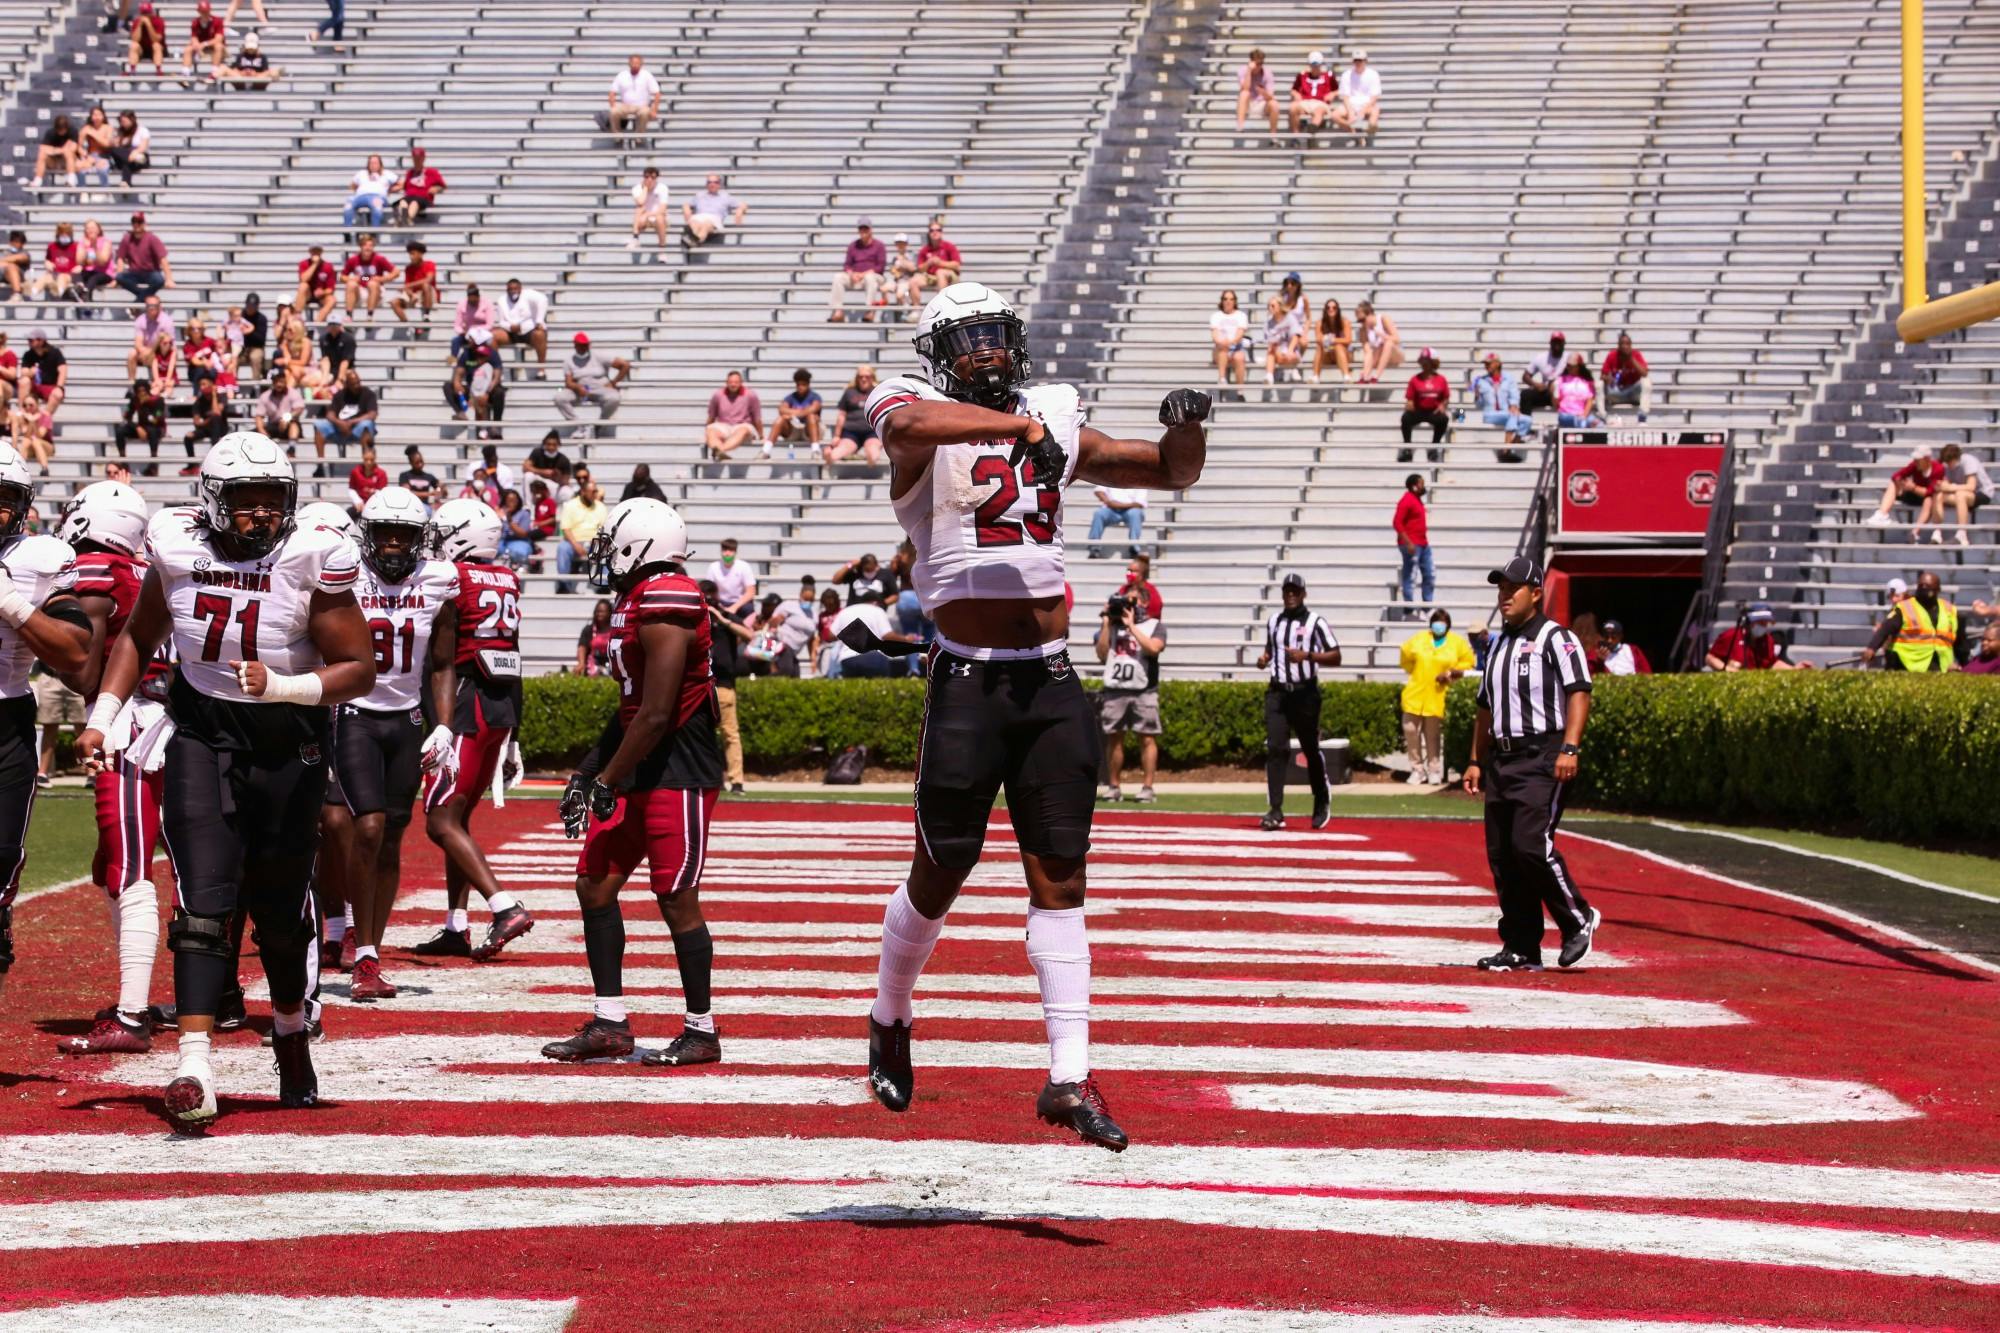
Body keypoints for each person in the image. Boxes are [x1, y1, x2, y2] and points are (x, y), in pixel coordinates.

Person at [859, 280, 1209, 1151]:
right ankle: (890, 1012)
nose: (986, 350)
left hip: (1050, 681)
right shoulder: (912, 409)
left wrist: (1188, 425)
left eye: (995, 334)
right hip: (968, 680)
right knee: (942, 868)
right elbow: (904, 432)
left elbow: (1166, 471)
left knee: (1062, 876)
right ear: (939, 352)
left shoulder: (1051, 411)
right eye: (966, 338)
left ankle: (1068, 1073)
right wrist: (1022, 432)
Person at [77, 432, 376, 1128]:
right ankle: (193, 1062)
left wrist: (287, 685)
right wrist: (104, 717)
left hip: (288, 748)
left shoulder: (311, 552)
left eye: (272, 502)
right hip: (204, 736)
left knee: (277, 912)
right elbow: (137, 635)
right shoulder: (178, 546)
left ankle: (293, 1031)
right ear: (212, 502)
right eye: (245, 504)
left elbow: (358, 666)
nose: (261, 517)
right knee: (204, 900)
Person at [548, 498, 726, 1064]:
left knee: (676, 898)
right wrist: (588, 771)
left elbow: (657, 711)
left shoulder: (669, 595)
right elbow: (631, 709)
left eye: (611, 542)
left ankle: (701, 1030)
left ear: (639, 544)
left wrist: (608, 779)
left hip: (680, 768)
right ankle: (610, 1022)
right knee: (595, 883)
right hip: (643, 763)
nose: (603, 554)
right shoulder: (634, 598)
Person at [46, 484, 169, 1053]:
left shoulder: (95, 567)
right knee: (123, 865)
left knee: (127, 867)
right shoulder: (145, 567)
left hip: (130, 725)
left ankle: (132, 1013)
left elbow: (81, 670)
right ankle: (172, 999)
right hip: (172, 722)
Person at [324, 487, 459, 1003]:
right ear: (368, 534)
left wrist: (444, 725)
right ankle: (360, 948)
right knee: (368, 827)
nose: (397, 544)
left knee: (393, 838)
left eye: (406, 534)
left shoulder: (439, 582)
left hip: (406, 718)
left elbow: (443, 664)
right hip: (354, 713)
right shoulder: (346, 575)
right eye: (387, 533)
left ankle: (372, 950)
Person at [413, 498, 537, 962]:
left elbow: (438, 655)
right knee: (459, 818)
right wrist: (517, 734)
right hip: (499, 707)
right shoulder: (508, 577)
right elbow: (516, 655)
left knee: (439, 819)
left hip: (464, 703)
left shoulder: (454, 577)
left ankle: (503, 906)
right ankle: (455, 926)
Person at [1462, 556, 1599, 972]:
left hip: (1543, 754)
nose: (1504, 597)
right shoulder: (1498, 645)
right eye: (1500, 589)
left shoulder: (1556, 638)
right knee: (1503, 856)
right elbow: (1484, 708)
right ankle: (1521, 946)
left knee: (1530, 845)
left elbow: (1579, 691)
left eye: (1512, 589)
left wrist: (1570, 748)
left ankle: (1578, 918)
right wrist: (1474, 761)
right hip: (1503, 759)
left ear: (1536, 593)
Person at [1256, 573, 1337, 831]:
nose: (1291, 595)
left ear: (1303, 593)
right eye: (1287, 591)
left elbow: (1336, 656)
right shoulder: (1274, 621)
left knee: (1309, 748)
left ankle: (1321, 799)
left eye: (1295, 591)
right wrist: (1264, 659)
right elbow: (1270, 649)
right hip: (1277, 692)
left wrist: (1308, 656)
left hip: (1304, 693)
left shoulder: (1316, 622)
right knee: (1276, 748)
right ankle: (1276, 809)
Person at [1095, 588, 1164, 803]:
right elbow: (1102, 654)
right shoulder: (1113, 626)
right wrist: (1107, 622)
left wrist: (1132, 626)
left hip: (1144, 690)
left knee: (1147, 738)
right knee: (1114, 739)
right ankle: (1114, 786)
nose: (1127, 604)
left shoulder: (1154, 626)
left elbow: (1153, 648)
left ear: (1143, 603)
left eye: (1132, 600)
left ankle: (1148, 788)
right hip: (1116, 689)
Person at [1398, 609, 1474, 787]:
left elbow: (1467, 662)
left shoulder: (1457, 642)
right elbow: (1406, 656)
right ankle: (1417, 769)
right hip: (1415, 692)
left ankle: (1434, 770)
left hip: (1438, 693)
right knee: (1410, 730)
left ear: (1448, 625)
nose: (1439, 626)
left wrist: (1449, 673)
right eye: (1436, 622)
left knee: (1432, 736)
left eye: (1442, 622)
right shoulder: (1419, 638)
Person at [1862, 572, 1963, 672]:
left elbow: (1960, 642)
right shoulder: (1905, 607)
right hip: (1905, 664)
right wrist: (1872, 648)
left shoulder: (1949, 610)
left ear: (1937, 590)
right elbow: (1885, 629)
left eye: (1927, 586)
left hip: (1941, 666)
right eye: (1921, 585)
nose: (1923, 588)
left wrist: (1963, 664)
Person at [1864, 446, 1945, 537]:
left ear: (1927, 459)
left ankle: (1915, 532)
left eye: (1918, 460)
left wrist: (1913, 487)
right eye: (1915, 459)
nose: (1916, 462)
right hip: (1914, 494)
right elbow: (1896, 476)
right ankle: (1882, 514)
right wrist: (1902, 483)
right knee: (1893, 484)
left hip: (1927, 497)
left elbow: (1930, 491)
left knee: (1929, 500)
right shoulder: (1914, 465)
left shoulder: (1938, 469)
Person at [1706, 602, 1809, 671]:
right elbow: (1710, 657)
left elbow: (1772, 664)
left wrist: (1794, 669)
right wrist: (1726, 669)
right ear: (1749, 622)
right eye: (1759, 622)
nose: (1762, 626)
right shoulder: (1731, 636)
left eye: (1765, 623)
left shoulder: (1768, 640)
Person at [555, 332, 629, 424]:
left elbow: (624, 365)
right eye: (580, 345)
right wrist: (577, 388)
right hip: (580, 390)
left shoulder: (599, 356)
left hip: (600, 388)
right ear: (575, 345)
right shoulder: (569, 361)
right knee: (560, 397)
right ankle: (579, 424)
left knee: (614, 398)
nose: (583, 348)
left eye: (585, 345)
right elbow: (568, 382)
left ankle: (601, 423)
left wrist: (614, 382)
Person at [315, 366, 379, 469]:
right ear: (347, 384)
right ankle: (321, 465)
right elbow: (330, 414)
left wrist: (352, 422)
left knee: (367, 424)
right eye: (353, 384)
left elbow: (372, 414)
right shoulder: (340, 395)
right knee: (319, 425)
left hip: (357, 429)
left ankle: (366, 463)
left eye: (358, 382)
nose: (357, 385)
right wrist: (339, 423)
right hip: (339, 428)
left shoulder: (368, 394)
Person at [1475, 351, 1533, 459]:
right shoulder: (1481, 381)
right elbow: (1479, 405)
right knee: (1512, 415)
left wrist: (1513, 405)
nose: (1486, 366)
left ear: (1497, 364)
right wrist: (1477, 396)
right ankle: (1506, 450)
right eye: (1485, 364)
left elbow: (1514, 394)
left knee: (1528, 420)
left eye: (1489, 363)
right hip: (1490, 414)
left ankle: (1512, 444)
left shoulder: (1508, 379)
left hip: (1506, 413)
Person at [556, 478, 609, 595]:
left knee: (607, 548)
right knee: (562, 548)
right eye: (591, 491)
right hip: (574, 542)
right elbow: (566, 528)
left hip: (594, 542)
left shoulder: (600, 507)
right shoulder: (570, 505)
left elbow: (604, 529)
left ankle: (604, 584)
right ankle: (564, 585)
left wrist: (599, 542)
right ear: (583, 492)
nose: (594, 494)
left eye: (595, 491)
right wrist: (575, 545)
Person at [828, 217, 887, 322]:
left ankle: (869, 310)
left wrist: (863, 274)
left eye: (865, 229)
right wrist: (851, 274)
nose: (863, 231)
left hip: (873, 276)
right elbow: (847, 265)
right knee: (838, 277)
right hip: (856, 276)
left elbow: (880, 267)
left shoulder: (879, 246)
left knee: (870, 278)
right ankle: (838, 311)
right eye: (861, 229)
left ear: (870, 230)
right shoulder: (853, 246)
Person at [826, 365, 884, 465]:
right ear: (856, 378)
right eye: (860, 377)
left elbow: (884, 414)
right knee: (836, 454)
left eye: (867, 376)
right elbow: (841, 415)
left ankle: (865, 453)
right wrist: (836, 436)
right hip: (851, 432)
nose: (863, 379)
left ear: (872, 378)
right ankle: (835, 454)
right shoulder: (849, 392)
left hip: (872, 432)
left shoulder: (878, 392)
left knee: (873, 453)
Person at [1400, 348, 1449, 462]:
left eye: (1427, 361)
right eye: (1422, 361)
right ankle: (1407, 448)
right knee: (1405, 418)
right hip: (1418, 410)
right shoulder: (1415, 379)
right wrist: (1409, 404)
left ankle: (1434, 447)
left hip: (1433, 411)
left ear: (1433, 363)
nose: (1424, 364)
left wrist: (1442, 405)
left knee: (1443, 419)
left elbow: (1445, 398)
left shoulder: (1441, 379)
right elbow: (1409, 398)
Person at [1935, 443, 1989, 547]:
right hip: (1961, 494)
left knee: (1961, 495)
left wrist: (1950, 487)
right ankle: (1937, 532)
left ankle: (1962, 535)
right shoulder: (1945, 465)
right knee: (1938, 495)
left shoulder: (1968, 461)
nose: (1948, 465)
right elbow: (1945, 482)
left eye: (1950, 462)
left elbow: (1971, 486)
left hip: (1981, 493)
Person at [1393, 473, 1434, 607]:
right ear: (1414, 486)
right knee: (1410, 576)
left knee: (1429, 574)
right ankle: (1409, 609)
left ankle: (1427, 606)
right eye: (1421, 483)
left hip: (1423, 543)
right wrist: (1408, 542)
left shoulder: (1416, 500)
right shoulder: (1407, 500)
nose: (1423, 486)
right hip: (1412, 544)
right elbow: (1397, 522)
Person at [116, 368, 169, 470]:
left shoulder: (158, 400)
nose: (141, 393)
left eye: (143, 390)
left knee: (152, 431)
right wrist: (137, 427)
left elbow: (156, 419)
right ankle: (123, 461)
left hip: (156, 428)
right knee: (120, 430)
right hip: (142, 427)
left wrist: (145, 405)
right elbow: (127, 416)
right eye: (139, 391)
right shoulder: (134, 400)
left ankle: (153, 463)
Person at [704, 371, 763, 462]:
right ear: (726, 383)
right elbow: (711, 416)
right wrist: (707, 432)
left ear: (741, 383)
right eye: (731, 382)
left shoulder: (750, 395)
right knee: (711, 430)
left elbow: (756, 418)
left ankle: (721, 450)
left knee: (743, 430)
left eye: (736, 382)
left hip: (742, 424)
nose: (733, 385)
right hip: (723, 425)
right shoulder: (718, 395)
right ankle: (720, 452)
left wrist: (761, 435)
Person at [114, 212, 173, 302]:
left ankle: (138, 301)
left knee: (159, 280)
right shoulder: (127, 239)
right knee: (119, 277)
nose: (136, 224)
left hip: (151, 272)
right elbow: (120, 259)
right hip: (134, 272)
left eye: (139, 222)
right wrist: (117, 277)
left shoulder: (152, 238)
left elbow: (163, 259)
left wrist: (169, 279)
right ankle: (143, 296)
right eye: (134, 222)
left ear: (144, 224)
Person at [494, 278, 550, 369]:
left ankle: (541, 369)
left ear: (520, 289)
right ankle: (496, 368)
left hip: (529, 331)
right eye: (510, 289)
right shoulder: (501, 300)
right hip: (511, 332)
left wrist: (539, 321)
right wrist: (510, 327)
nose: (512, 291)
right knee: (493, 336)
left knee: (540, 334)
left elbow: (543, 300)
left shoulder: (528, 294)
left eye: (515, 289)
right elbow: (501, 322)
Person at [606, 53, 661, 138]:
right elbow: (612, 92)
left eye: (637, 63)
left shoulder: (647, 75)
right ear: (629, 64)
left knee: (645, 112)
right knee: (613, 112)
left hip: (641, 106)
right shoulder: (622, 75)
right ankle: (617, 136)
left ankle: (638, 136)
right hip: (625, 106)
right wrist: (612, 105)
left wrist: (654, 110)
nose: (635, 65)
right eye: (633, 63)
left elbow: (657, 93)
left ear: (641, 64)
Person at [682, 172, 746, 244]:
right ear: (706, 184)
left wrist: (740, 210)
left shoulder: (725, 196)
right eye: (709, 182)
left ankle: (694, 240)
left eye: (715, 182)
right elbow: (687, 204)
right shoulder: (699, 195)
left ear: (719, 184)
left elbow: (743, 204)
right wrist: (686, 208)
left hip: (714, 218)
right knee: (694, 222)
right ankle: (694, 240)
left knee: (706, 224)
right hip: (699, 217)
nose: (712, 184)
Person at [340, 232, 395, 316]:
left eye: (370, 246)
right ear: (360, 247)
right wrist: (351, 279)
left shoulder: (379, 259)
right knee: (351, 284)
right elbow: (342, 277)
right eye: (365, 245)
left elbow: (396, 272)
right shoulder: (353, 260)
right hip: (360, 290)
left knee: (372, 284)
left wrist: (383, 279)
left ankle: (370, 316)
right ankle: (349, 315)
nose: (368, 248)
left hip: (376, 291)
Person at [910, 222, 963, 305]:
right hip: (931, 277)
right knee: (913, 281)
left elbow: (956, 265)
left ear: (941, 232)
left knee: (940, 272)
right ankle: (916, 310)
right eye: (932, 230)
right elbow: (920, 269)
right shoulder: (925, 249)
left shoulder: (949, 246)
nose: (935, 232)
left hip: (949, 275)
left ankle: (942, 305)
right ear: (929, 233)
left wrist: (940, 263)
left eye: (938, 230)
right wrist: (928, 263)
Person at [769, 368, 824, 450]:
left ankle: (815, 450)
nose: (800, 387)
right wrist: (803, 412)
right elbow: (781, 409)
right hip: (794, 429)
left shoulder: (815, 397)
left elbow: (814, 408)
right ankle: (766, 450)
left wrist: (791, 414)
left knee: (811, 417)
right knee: (780, 419)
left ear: (808, 384)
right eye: (798, 384)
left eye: (803, 384)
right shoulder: (791, 397)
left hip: (809, 431)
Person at [703, 537, 757, 617]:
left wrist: (734, 607)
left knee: (748, 608)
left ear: (735, 552)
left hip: (739, 603)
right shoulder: (713, 567)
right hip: (720, 602)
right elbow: (708, 589)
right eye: (725, 550)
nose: (727, 553)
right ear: (721, 552)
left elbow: (751, 592)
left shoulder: (744, 566)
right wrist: (719, 605)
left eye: (731, 550)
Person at [1332, 48, 1381, 136]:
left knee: (1375, 111)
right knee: (1335, 115)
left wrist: (1363, 110)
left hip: (1366, 104)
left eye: (1360, 60)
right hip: (1351, 104)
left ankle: (1369, 130)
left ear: (1365, 61)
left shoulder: (1373, 74)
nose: (1358, 63)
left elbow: (1374, 97)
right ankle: (1353, 132)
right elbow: (1345, 96)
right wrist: (1351, 112)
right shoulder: (1346, 74)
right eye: (1356, 60)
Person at [393, 145, 446, 224]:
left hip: (423, 198)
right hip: (410, 197)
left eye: (419, 158)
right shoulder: (410, 172)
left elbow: (442, 186)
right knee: (403, 202)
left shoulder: (431, 172)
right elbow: (405, 186)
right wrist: (397, 187)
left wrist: (436, 188)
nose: (416, 160)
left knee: (414, 202)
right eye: (415, 158)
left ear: (423, 158)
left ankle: (407, 218)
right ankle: (402, 218)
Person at [1600, 333, 1649, 421]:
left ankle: (1642, 416)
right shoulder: (1612, 355)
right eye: (1622, 344)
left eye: (1627, 344)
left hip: (1633, 393)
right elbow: (1603, 375)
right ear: (1618, 345)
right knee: (1598, 384)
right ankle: (1603, 415)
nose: (1625, 346)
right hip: (1617, 392)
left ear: (1631, 345)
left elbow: (1644, 373)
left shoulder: (1636, 355)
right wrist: (1608, 379)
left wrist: (1631, 359)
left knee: (1647, 382)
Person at [212, 30, 283, 88]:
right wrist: (243, 73)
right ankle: (212, 79)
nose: (251, 50)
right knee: (223, 68)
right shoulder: (241, 56)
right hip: (241, 79)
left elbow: (265, 71)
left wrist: (255, 74)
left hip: (257, 79)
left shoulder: (262, 57)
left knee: (273, 71)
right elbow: (235, 69)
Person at [1087, 485, 1145, 557]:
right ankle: (1094, 548)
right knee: (1099, 513)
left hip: (1130, 510)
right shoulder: (1110, 476)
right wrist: (1110, 503)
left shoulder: (1139, 481)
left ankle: (1134, 547)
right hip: (1111, 510)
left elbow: (1139, 504)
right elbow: (1098, 491)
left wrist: (1114, 504)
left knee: (1135, 513)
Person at [390, 241, 438, 327]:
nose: (411, 257)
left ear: (420, 254)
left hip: (427, 293)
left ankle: (426, 316)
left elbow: (428, 280)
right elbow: (406, 286)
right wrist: (411, 294)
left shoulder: (429, 264)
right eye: (410, 254)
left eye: (413, 254)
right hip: (365, 283)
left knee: (425, 286)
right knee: (394, 302)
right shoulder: (409, 268)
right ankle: (405, 323)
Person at [1355, 299, 1401, 383]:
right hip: (1379, 355)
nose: (1361, 323)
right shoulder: (1363, 330)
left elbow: (1397, 339)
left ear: (1370, 314)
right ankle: (1365, 377)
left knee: (1387, 343)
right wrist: (1365, 371)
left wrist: (1382, 335)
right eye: (1359, 321)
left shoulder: (1383, 319)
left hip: (1394, 353)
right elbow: (1367, 352)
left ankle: (1376, 376)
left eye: (1362, 320)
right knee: (1377, 348)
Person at [1520, 332, 1565, 417]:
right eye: (1554, 342)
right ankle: (1526, 425)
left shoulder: (1568, 358)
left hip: (1564, 393)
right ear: (1550, 343)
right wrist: (1536, 384)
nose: (1557, 344)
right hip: (1547, 391)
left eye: (1559, 342)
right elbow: (1525, 376)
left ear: (1564, 343)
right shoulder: (1541, 357)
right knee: (1525, 395)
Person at [1210, 290, 1250, 387]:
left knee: (1239, 357)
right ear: (1222, 301)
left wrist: (1230, 342)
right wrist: (1223, 343)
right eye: (1225, 299)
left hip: (1236, 348)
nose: (1228, 301)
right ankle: (1222, 379)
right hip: (1220, 349)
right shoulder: (1216, 316)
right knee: (1223, 349)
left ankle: (1240, 390)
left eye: (1231, 299)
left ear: (1235, 301)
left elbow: (1240, 334)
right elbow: (1215, 336)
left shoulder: (1241, 315)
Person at [30, 114, 81, 190]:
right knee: (42, 155)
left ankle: (71, 179)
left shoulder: (73, 131)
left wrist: (53, 150)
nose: (62, 131)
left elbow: (73, 148)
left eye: (63, 129)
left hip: (69, 161)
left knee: (69, 153)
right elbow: (43, 148)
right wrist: (61, 150)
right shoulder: (50, 133)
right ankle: (38, 180)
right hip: (54, 161)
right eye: (60, 129)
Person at [254, 367, 303, 446]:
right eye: (276, 381)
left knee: (294, 424)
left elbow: (299, 409)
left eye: (280, 381)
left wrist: (287, 418)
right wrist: (262, 431)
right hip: (273, 425)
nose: (278, 384)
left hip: (289, 423)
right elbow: (259, 416)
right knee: (252, 433)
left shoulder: (293, 393)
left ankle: (291, 448)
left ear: (285, 380)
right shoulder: (265, 396)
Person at [1260, 295, 1304, 383]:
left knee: (1291, 356)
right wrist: (1278, 352)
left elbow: (1296, 335)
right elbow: (1271, 342)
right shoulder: (1268, 323)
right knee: (1271, 352)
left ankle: (1292, 369)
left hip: (1290, 350)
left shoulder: (1290, 318)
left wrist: (1290, 350)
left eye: (1273, 306)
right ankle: (1269, 376)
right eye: (1269, 306)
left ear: (1280, 306)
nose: (1270, 308)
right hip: (1276, 351)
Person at [1289, 51, 1334, 134]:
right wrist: (1296, 94)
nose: (1315, 68)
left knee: (1319, 111)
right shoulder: (1302, 75)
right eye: (1313, 65)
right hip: (1305, 102)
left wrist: (1333, 94)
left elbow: (1337, 90)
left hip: (1320, 102)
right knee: (1293, 107)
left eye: (1317, 65)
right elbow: (1293, 89)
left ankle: (1312, 127)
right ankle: (1296, 135)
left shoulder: (1328, 76)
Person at [1235, 47, 1279, 135]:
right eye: (1257, 63)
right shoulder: (1243, 70)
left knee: (1274, 104)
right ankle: (1240, 126)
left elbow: (1270, 96)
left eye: (1261, 63)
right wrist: (1249, 71)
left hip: (1262, 104)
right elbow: (1245, 88)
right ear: (1251, 62)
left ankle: (1273, 136)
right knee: (1244, 94)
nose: (1259, 66)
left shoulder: (1267, 73)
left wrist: (1263, 92)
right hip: (1248, 104)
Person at [342, 155, 393, 229]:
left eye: (375, 163)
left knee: (377, 206)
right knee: (348, 205)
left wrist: (389, 189)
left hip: (377, 197)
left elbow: (401, 183)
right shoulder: (362, 173)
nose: (373, 165)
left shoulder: (387, 173)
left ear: (380, 164)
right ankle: (347, 234)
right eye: (371, 163)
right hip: (360, 197)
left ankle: (374, 234)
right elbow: (352, 185)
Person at [1555, 352, 1604, 429]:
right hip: (1566, 415)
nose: (1569, 368)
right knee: (1580, 422)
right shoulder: (1561, 380)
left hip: (1582, 415)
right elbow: (1556, 400)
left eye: (1572, 366)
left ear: (1578, 367)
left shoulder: (1587, 382)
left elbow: (1589, 401)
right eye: (1568, 365)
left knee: (1599, 425)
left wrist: (1584, 415)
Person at [628, 166, 671, 249]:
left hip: (658, 217)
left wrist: (648, 214)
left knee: (659, 218)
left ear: (656, 178)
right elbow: (640, 202)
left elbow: (662, 209)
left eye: (653, 177)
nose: (649, 180)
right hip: (644, 218)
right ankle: (635, 238)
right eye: (647, 177)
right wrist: (645, 189)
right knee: (638, 209)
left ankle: (662, 248)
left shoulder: (662, 188)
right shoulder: (637, 188)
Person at [450, 283, 496, 360]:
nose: (472, 303)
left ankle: (491, 360)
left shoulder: (487, 303)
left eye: (474, 301)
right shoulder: (462, 304)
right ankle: (454, 360)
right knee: (455, 341)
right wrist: (463, 332)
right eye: (470, 301)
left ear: (478, 297)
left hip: (483, 333)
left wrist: (475, 330)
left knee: (489, 342)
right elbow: (457, 325)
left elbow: (490, 324)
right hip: (467, 334)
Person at [107, 111, 153, 188]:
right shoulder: (119, 131)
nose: (123, 123)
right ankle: (130, 160)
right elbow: (115, 147)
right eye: (121, 121)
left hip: (139, 158)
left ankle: (125, 182)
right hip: (127, 158)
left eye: (125, 121)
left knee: (128, 162)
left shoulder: (142, 130)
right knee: (115, 151)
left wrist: (135, 153)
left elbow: (143, 147)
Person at [181, 1, 227, 77]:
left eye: (206, 11)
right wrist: (197, 46)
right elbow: (194, 38)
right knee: (188, 48)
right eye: (203, 11)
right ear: (199, 11)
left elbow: (219, 39)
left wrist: (204, 44)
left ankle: (214, 72)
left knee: (218, 46)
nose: (205, 13)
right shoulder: (195, 22)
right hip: (202, 48)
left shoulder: (217, 21)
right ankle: (185, 73)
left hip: (213, 47)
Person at [294, 244, 338, 323]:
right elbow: (303, 279)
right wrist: (314, 264)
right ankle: (297, 316)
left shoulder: (328, 266)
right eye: (313, 251)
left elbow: (331, 288)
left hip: (322, 296)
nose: (315, 253)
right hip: (308, 294)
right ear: (310, 252)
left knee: (332, 299)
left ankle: (317, 322)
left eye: (317, 251)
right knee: (303, 286)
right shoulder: (304, 264)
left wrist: (323, 292)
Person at [1312, 298, 1352, 384]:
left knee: (1338, 346)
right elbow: (1318, 338)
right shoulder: (1320, 323)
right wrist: (1329, 340)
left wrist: (1333, 340)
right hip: (1328, 352)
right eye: (1328, 307)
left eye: (1334, 307)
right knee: (1320, 346)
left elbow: (1348, 340)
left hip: (1343, 353)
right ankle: (1315, 376)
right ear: (1325, 310)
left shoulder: (1344, 322)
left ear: (1338, 310)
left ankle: (1346, 376)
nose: (1331, 309)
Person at [346, 442, 389, 513]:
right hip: (359, 505)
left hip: (375, 505)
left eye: (371, 460)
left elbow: (382, 492)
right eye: (366, 459)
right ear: (362, 457)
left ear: (375, 458)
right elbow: (351, 489)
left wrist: (370, 504)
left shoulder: (381, 473)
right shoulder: (355, 472)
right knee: (349, 513)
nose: (369, 462)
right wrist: (358, 502)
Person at [576, 598, 614, 675]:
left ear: (609, 613)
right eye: (598, 611)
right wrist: (581, 663)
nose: (599, 614)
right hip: (593, 667)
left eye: (602, 612)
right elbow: (582, 647)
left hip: (612, 665)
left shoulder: (615, 629)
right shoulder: (589, 629)